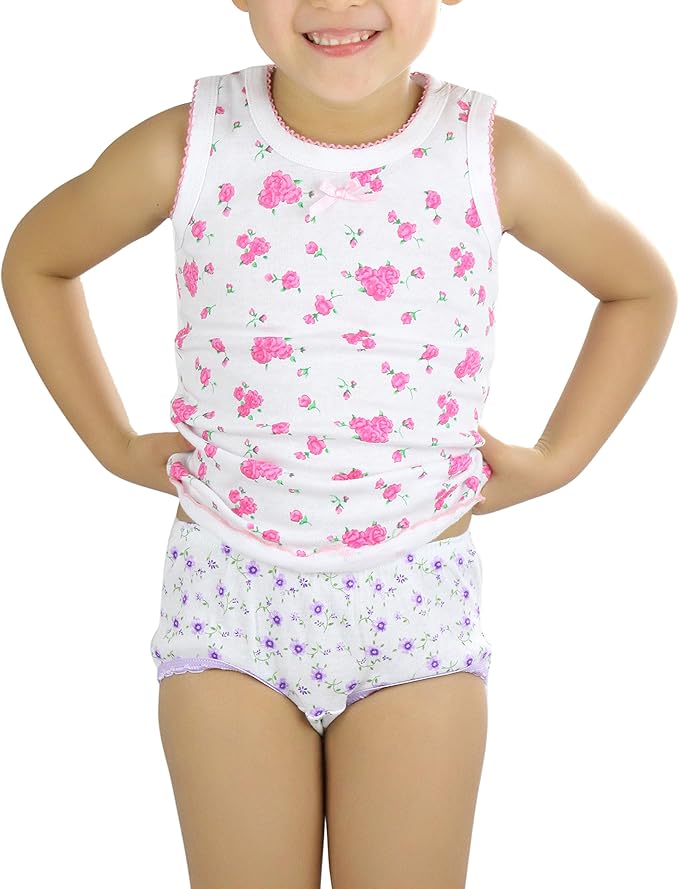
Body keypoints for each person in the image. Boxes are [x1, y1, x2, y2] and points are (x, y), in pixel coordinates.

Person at [2, 1, 676, 887]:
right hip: (230, 596)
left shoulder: (488, 154)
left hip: (414, 598)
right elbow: (37, 258)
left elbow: (638, 288)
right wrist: (112, 443)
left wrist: (558, 460)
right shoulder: (192, 142)